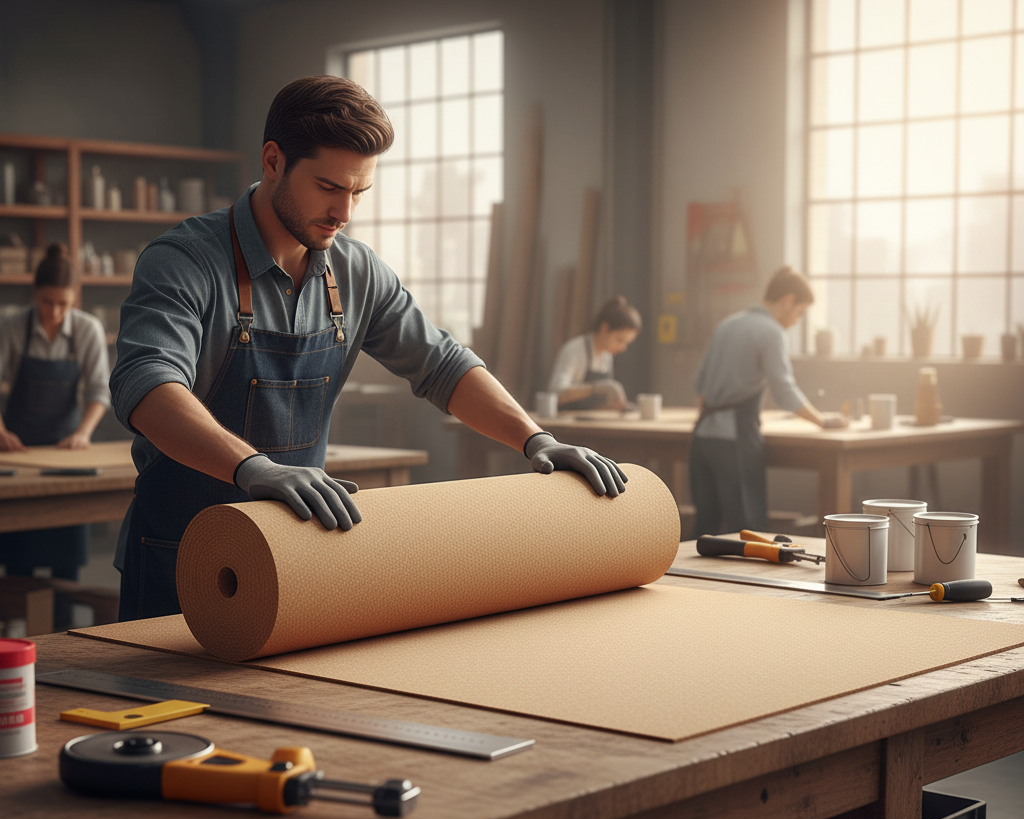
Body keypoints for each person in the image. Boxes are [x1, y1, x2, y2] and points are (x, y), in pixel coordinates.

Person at [110, 75, 627, 622]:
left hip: (297, 555)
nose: (345, 212)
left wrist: (535, 439)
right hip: (183, 560)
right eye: (329, 187)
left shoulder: (357, 272)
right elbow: (147, 385)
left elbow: (443, 366)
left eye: (359, 192)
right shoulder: (184, 262)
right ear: (273, 160)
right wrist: (252, 467)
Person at [690, 266, 846, 536]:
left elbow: (699, 385)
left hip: (702, 438)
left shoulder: (727, 325)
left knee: (707, 528)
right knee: (747, 529)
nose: (796, 321)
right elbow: (785, 392)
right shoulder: (771, 332)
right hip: (734, 440)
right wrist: (822, 421)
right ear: (788, 301)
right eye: (799, 313)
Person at [0, 243, 111, 616]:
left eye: (64, 304)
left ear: (73, 298)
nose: (56, 312)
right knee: (17, 570)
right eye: (48, 303)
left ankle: (63, 642)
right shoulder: (13, 327)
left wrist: (83, 432)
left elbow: (99, 391)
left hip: (67, 451)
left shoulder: (88, 329)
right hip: (19, 451)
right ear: (36, 295)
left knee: (67, 571)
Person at [547, 296, 642, 409]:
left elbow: (597, 404)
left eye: (626, 343)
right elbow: (555, 393)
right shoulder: (574, 350)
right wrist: (596, 388)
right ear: (604, 328)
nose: (622, 348)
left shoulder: (606, 356)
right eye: (619, 340)